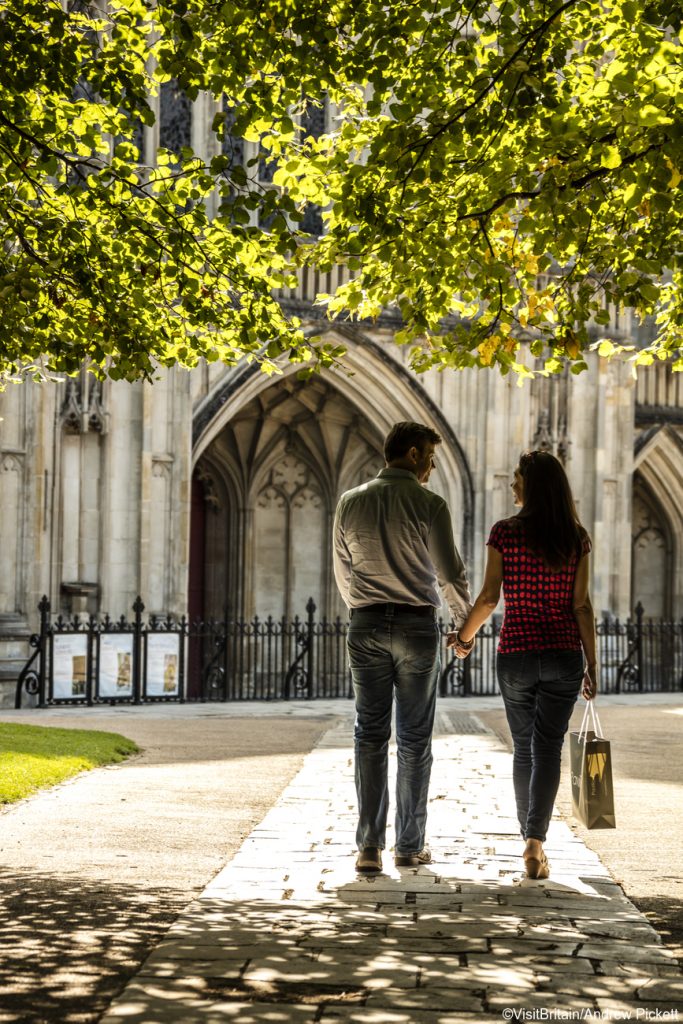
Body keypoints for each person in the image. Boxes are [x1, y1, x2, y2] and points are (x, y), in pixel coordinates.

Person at [450, 450, 597, 880]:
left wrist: (464, 638)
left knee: (524, 749)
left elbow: (489, 598)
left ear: (532, 485)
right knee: (548, 748)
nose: (512, 486)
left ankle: (528, 840)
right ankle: (536, 842)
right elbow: (581, 605)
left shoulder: (504, 533)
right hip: (563, 654)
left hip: (515, 653)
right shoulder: (576, 537)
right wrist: (593, 663)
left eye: (517, 479)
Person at [333, 421, 472, 874]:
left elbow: (343, 570)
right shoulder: (429, 503)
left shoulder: (350, 502)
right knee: (414, 739)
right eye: (430, 457)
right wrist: (462, 624)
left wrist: (364, 610)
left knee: (369, 736)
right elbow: (449, 574)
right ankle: (409, 845)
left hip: (367, 624)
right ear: (412, 455)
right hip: (415, 627)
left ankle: (369, 847)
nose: (432, 466)